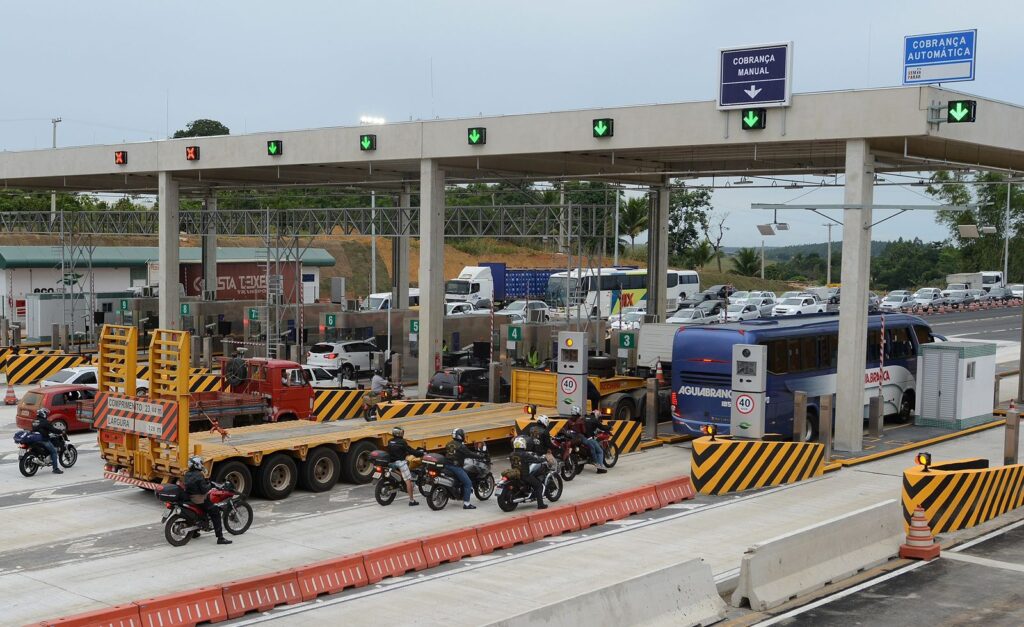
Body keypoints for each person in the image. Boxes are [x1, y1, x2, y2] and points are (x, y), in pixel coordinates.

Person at [183, 455, 231, 545]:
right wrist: (210, 485)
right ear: (197, 464)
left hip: (189, 497)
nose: (201, 465)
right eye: (200, 463)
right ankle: (220, 538)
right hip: (198, 499)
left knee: (202, 511)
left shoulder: (187, 474)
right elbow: (204, 489)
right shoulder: (199, 475)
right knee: (215, 512)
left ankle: (195, 532)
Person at [444, 428, 483, 510]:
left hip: (447, 465)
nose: (464, 436)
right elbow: (469, 454)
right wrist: (480, 456)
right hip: (455, 467)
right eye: (463, 434)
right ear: (460, 436)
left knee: (464, 474)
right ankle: (467, 503)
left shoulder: (449, 443)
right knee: (468, 483)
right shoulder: (461, 446)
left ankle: (458, 491)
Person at [386, 426, 424, 506]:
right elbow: (410, 450)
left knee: (403, 475)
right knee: (408, 480)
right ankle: (412, 500)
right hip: (400, 462)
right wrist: (421, 454)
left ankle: (400, 481)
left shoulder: (390, 441)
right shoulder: (402, 442)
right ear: (400, 433)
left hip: (391, 462)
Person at [509, 436, 548, 509]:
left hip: (516, 474)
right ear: (522, 444)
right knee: (538, 485)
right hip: (525, 475)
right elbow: (536, 460)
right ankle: (540, 505)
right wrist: (543, 459)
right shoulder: (525, 454)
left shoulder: (511, 454)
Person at [566, 406, 607, 473]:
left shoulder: (569, 420)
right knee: (592, 446)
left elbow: (566, 428)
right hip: (580, 437)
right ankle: (596, 462)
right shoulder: (581, 420)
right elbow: (584, 431)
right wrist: (588, 435)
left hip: (571, 437)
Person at [31, 409, 62, 474]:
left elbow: (38, 429)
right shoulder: (45, 422)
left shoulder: (34, 421)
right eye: (46, 414)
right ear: (43, 414)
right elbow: (52, 429)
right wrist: (61, 431)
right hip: (43, 440)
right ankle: (55, 468)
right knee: (53, 451)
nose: (47, 415)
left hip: (34, 439)